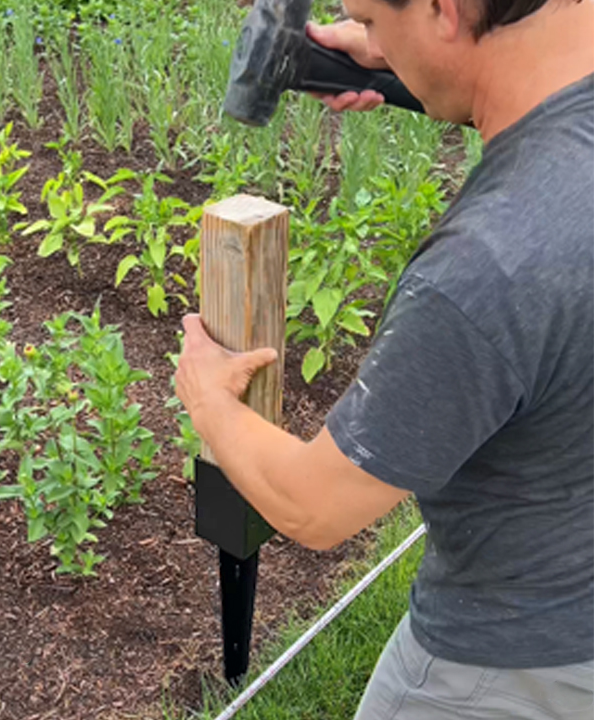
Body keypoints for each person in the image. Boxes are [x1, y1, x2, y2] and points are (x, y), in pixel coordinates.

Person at [174, 0, 594, 715]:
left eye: (368, 19)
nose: (363, 37)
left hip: (515, 661)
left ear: (445, 10)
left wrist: (210, 399)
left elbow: (316, 506)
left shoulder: (484, 272)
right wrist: (409, 69)